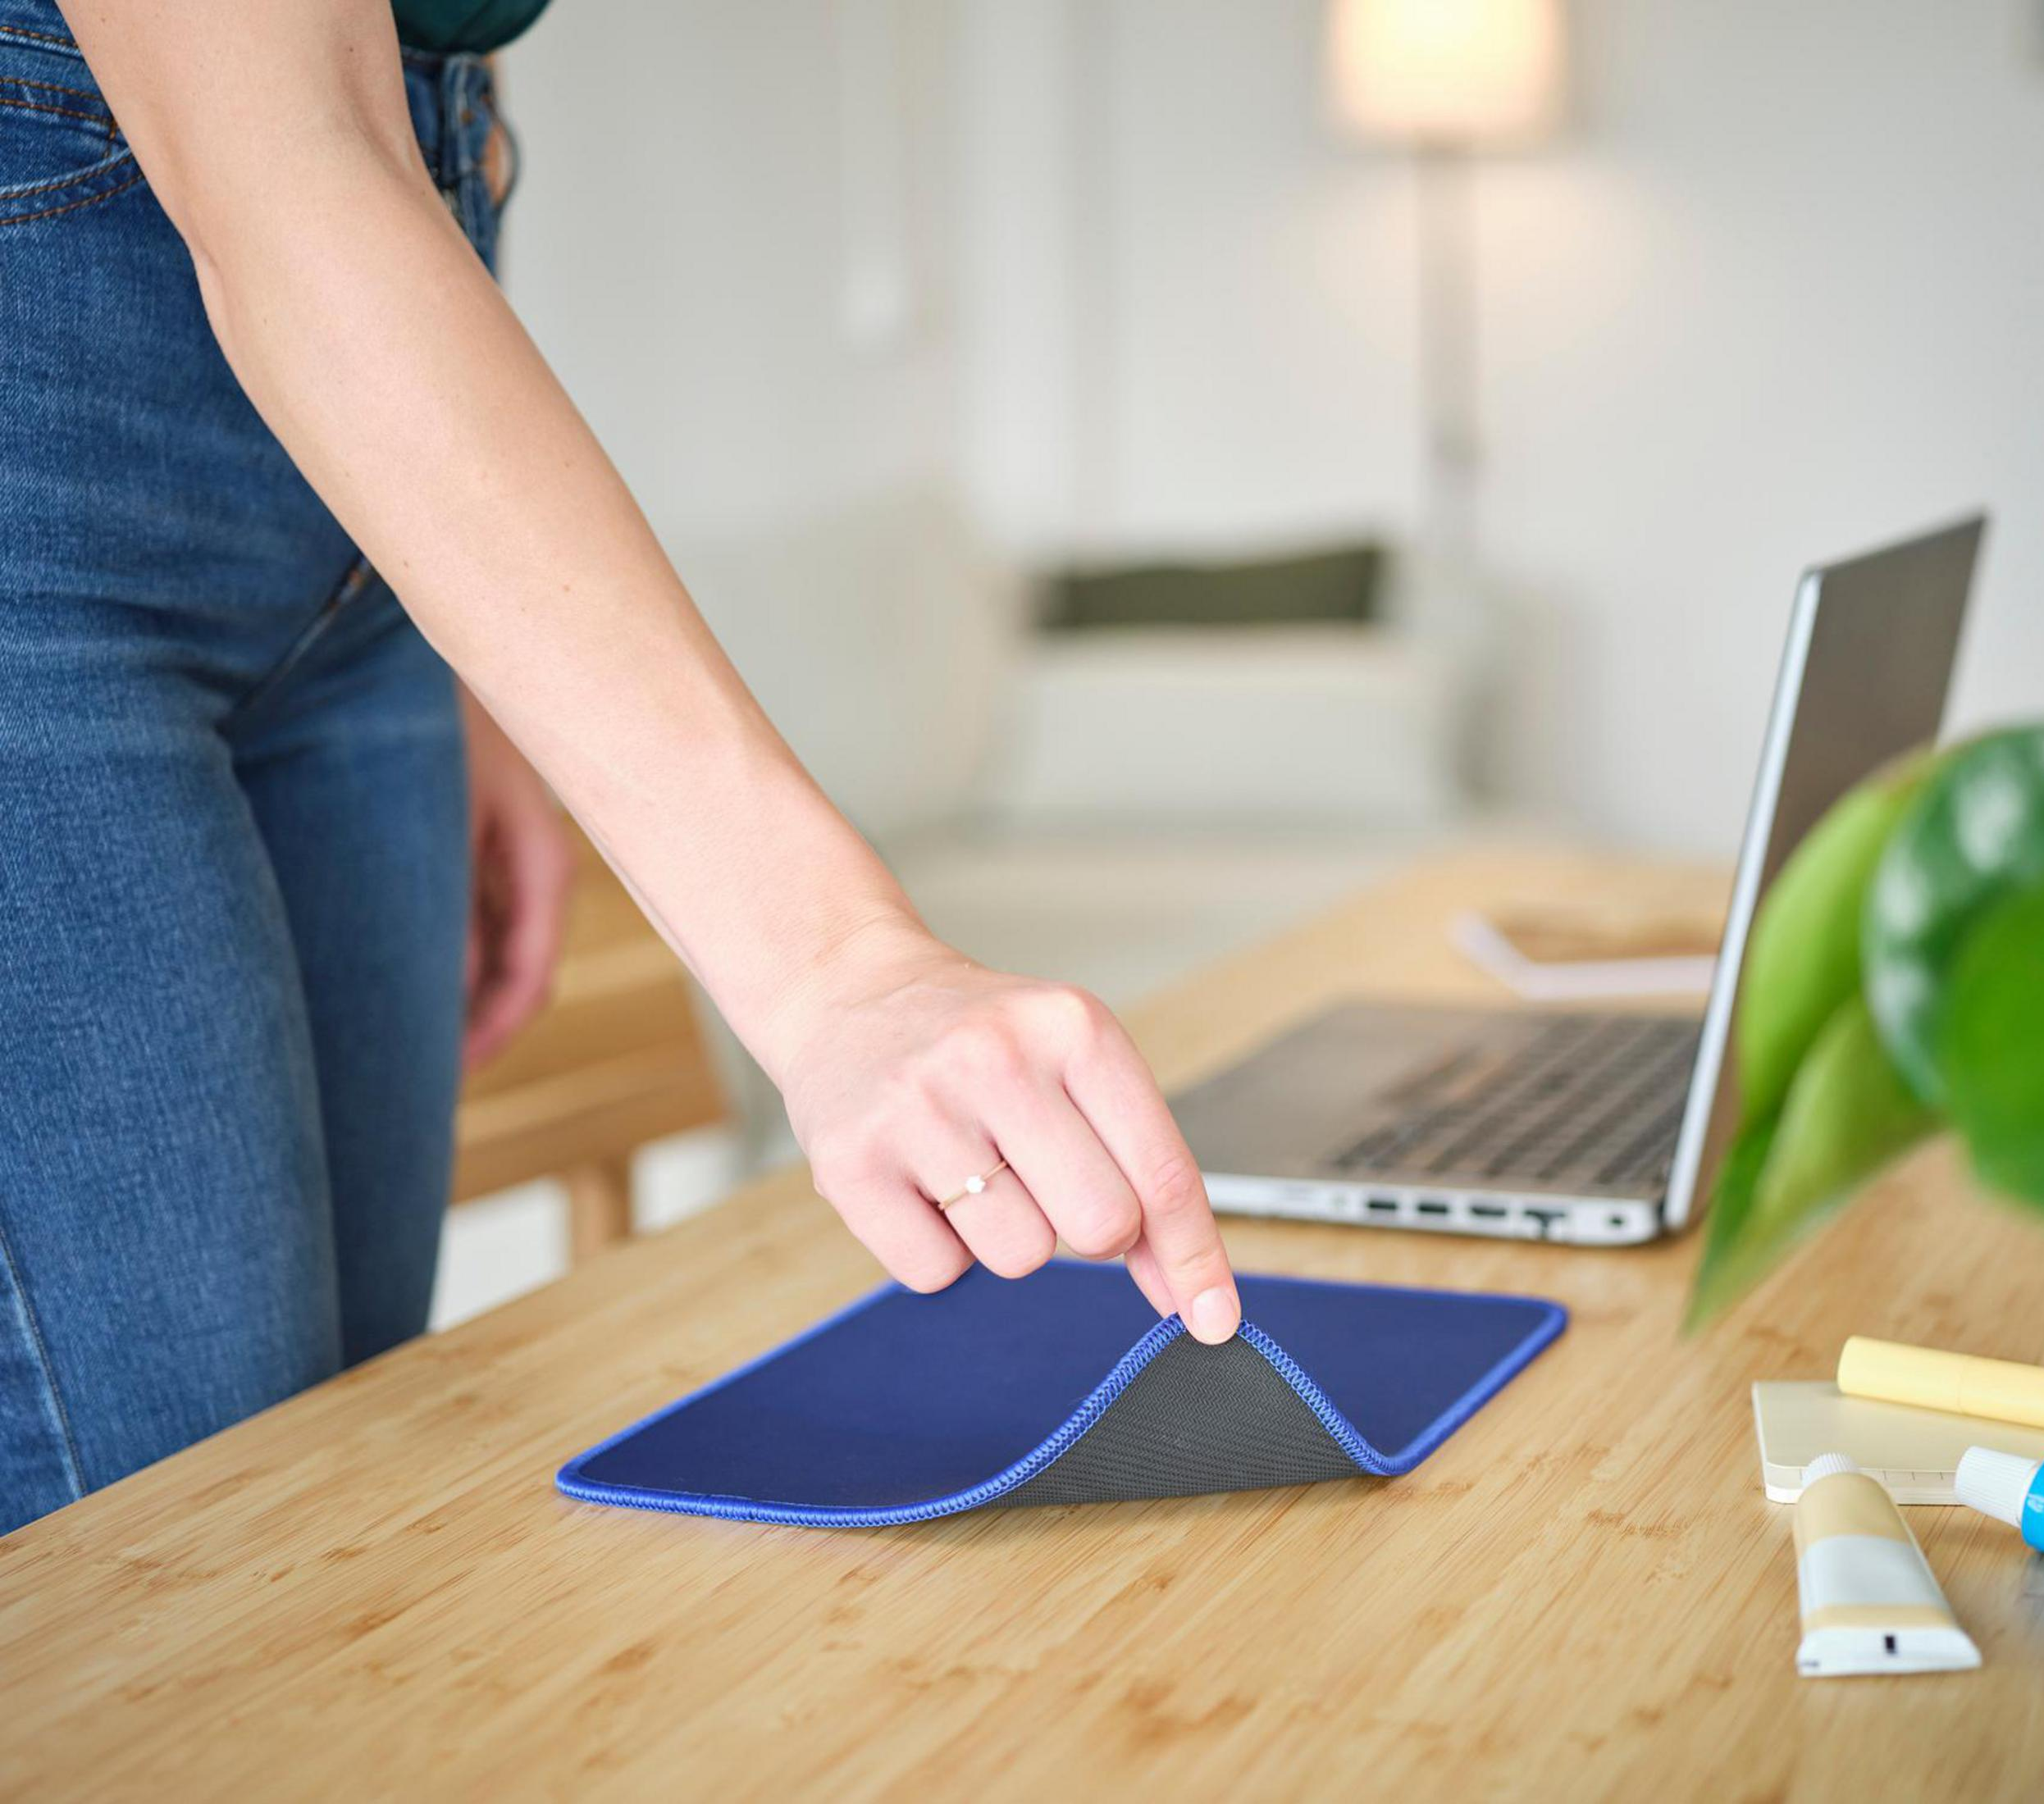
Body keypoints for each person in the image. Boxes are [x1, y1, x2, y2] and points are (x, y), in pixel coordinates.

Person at [0, 0, 1240, 1537]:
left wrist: (467, 649)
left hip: (356, 516)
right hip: (49, 523)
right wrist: (842, 965)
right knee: (190, 1558)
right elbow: (286, 156)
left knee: (328, 1482)